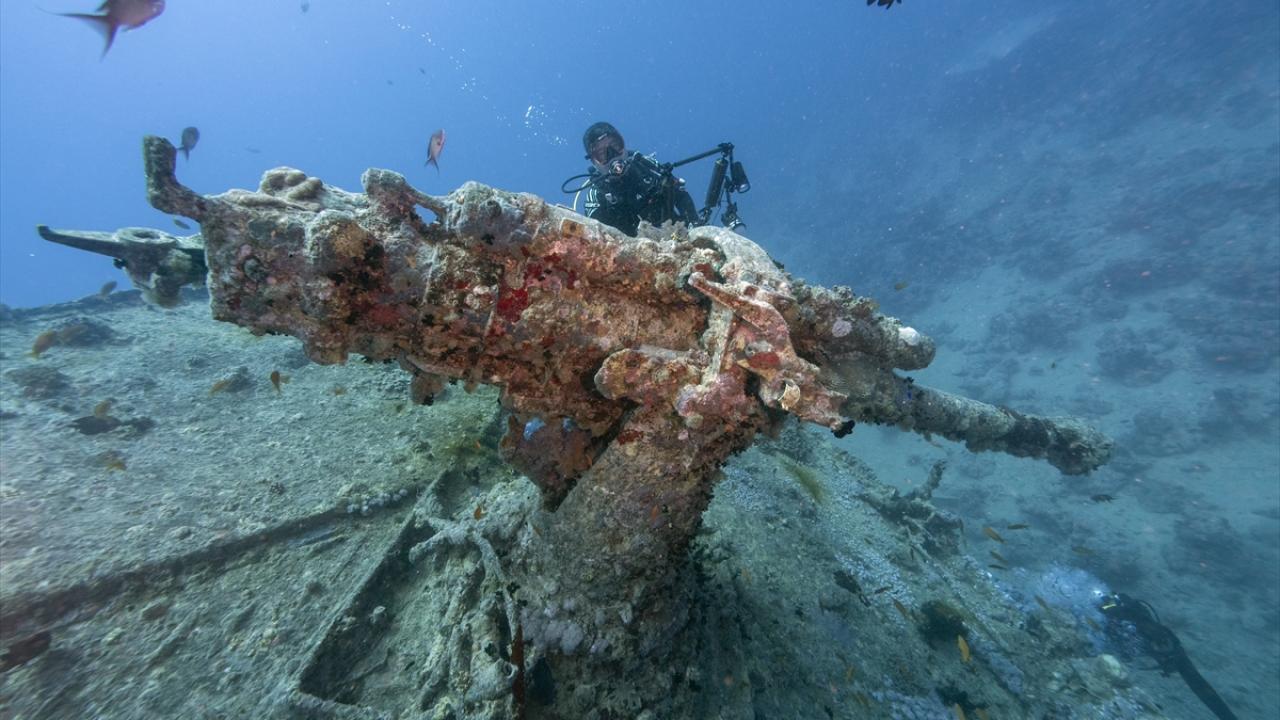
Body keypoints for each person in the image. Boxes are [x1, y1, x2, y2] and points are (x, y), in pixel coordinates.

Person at [580, 122, 700, 236]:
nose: (612, 155)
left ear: (623, 145)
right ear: (593, 162)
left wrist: (694, 225)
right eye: (601, 153)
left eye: (615, 146)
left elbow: (679, 194)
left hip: (677, 238)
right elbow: (597, 235)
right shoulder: (596, 196)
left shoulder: (645, 165)